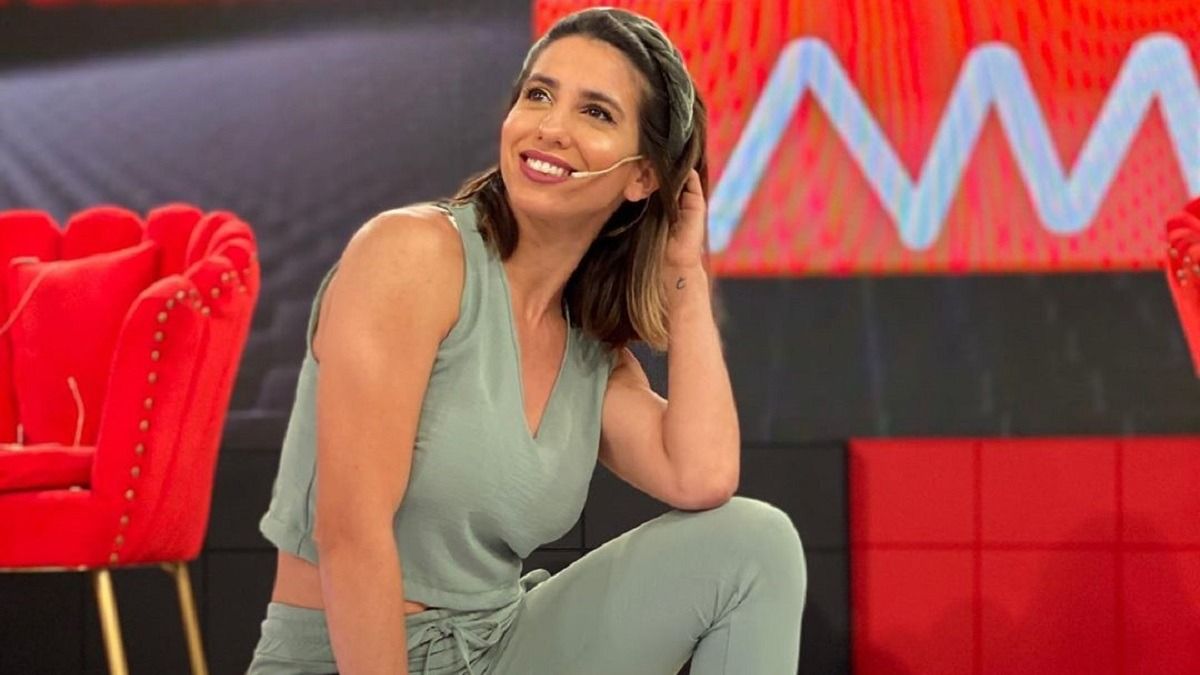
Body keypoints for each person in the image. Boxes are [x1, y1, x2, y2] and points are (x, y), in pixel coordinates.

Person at [248, 7, 806, 674]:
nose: (551, 127)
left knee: (757, 543)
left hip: (498, 647)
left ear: (643, 177)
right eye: (539, 95)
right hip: (345, 661)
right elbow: (349, 534)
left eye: (595, 112)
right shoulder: (411, 256)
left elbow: (702, 475)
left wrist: (685, 272)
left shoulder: (589, 347)